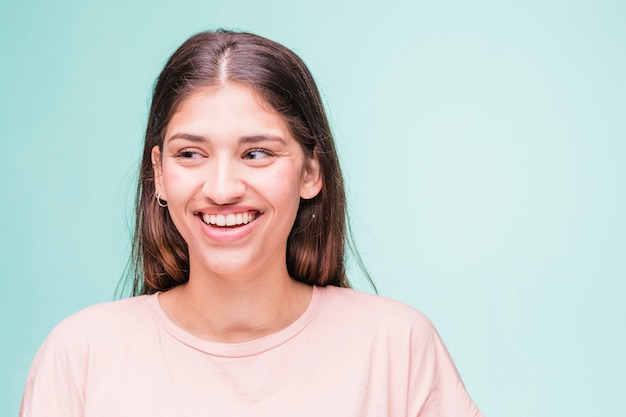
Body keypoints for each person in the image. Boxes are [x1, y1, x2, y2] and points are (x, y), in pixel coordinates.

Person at [19, 30, 483, 417]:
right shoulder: (79, 356)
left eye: (256, 153)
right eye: (190, 154)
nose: (222, 189)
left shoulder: (397, 347)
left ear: (310, 171)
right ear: (159, 174)